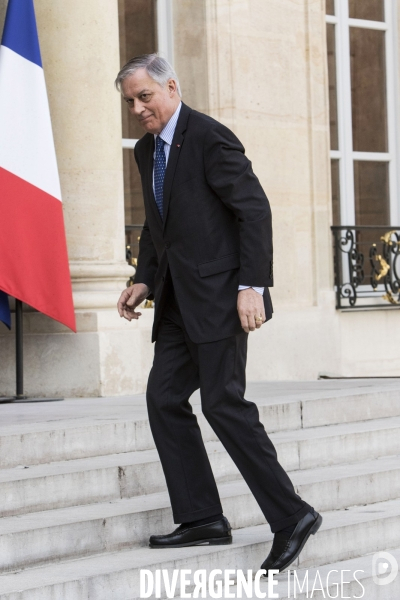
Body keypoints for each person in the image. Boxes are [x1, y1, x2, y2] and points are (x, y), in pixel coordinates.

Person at [116, 54, 322, 574]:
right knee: (164, 398)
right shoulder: (146, 151)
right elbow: (156, 223)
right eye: (131, 102)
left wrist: (252, 286)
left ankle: (292, 516)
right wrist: (144, 278)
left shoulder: (210, 136)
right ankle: (202, 516)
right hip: (179, 304)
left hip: (223, 299)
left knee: (223, 404)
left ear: (172, 87)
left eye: (146, 96)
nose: (140, 108)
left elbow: (253, 209)